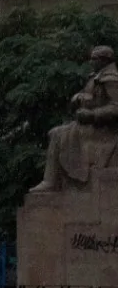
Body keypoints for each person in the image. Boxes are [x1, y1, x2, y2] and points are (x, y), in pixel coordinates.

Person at [31, 45, 118, 193]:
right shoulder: (95, 77)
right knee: (55, 132)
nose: (91, 62)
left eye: (94, 59)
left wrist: (92, 115)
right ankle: (53, 181)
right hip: (90, 126)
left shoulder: (111, 79)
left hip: (105, 130)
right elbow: (91, 97)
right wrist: (79, 98)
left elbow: (116, 107)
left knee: (58, 134)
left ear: (104, 60)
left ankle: (50, 181)